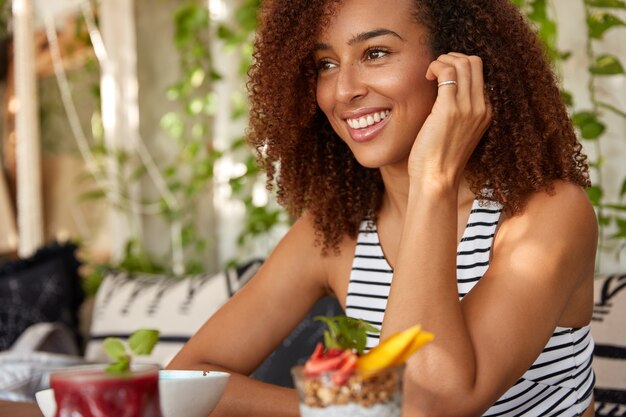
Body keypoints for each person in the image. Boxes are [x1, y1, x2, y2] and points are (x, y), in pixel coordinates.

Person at [167, 0, 597, 415]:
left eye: (375, 53)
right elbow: (186, 379)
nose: (344, 90)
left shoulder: (547, 215)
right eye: (326, 64)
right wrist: (338, 412)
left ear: (457, 65)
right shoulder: (338, 231)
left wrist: (433, 179)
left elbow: (429, 404)